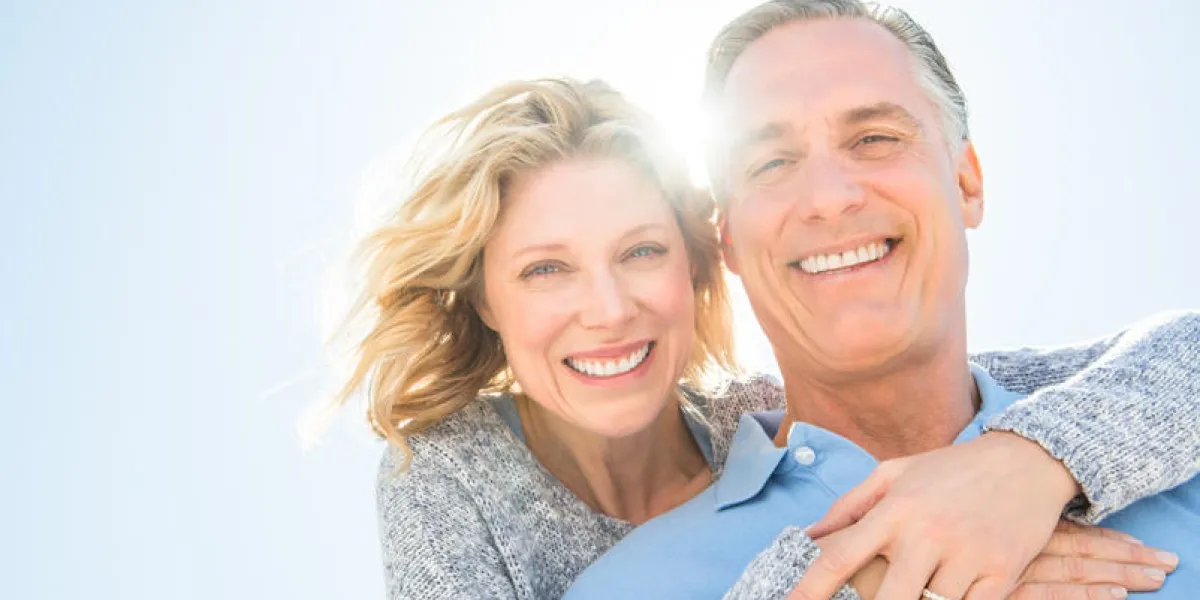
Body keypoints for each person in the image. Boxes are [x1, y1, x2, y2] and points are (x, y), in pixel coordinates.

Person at [327, 78, 1200, 600]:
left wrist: (1031, 459)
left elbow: (1166, 364)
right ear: (483, 298)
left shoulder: (761, 420)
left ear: (701, 266)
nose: (608, 309)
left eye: (641, 252)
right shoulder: (448, 474)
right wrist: (871, 571)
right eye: (545, 270)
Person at [563, 2, 1200, 599]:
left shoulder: (1172, 460)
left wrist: (1038, 455)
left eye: (874, 139)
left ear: (965, 183)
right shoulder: (631, 586)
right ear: (728, 240)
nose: (829, 196)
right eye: (772, 162)